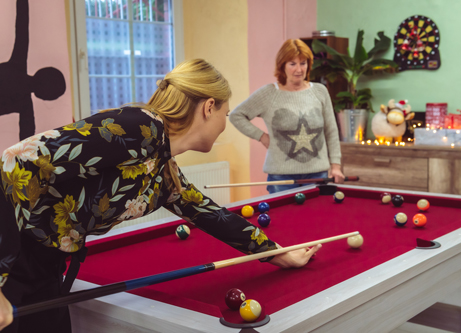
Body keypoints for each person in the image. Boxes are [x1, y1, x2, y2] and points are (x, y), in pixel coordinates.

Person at [0, 59, 321, 332]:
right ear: (209, 107)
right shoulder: (141, 127)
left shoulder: (162, 171)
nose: (225, 123)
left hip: (46, 266)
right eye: (225, 113)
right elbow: (16, 161)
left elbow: (209, 213)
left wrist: (278, 253)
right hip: (14, 258)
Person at [229, 39, 344, 193]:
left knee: (317, 217)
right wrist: (261, 136)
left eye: (303, 63)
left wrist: (336, 166)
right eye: (292, 64)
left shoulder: (320, 91)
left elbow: (331, 130)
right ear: (282, 65)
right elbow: (236, 115)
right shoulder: (269, 93)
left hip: (318, 174)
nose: (299, 69)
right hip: (281, 177)